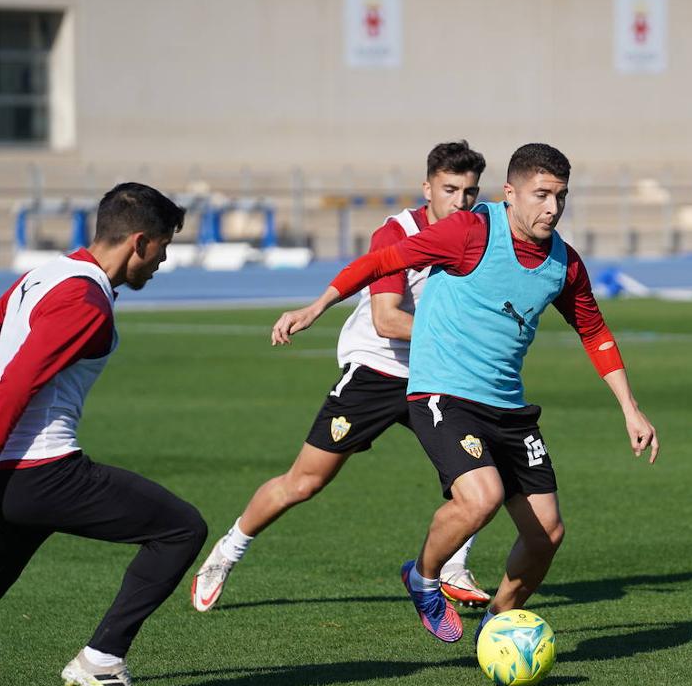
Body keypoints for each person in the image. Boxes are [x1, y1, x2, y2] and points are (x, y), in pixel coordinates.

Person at [269, 143, 660, 643]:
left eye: (561, 197)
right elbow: (381, 261)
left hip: (509, 405)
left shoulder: (564, 263)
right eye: (542, 195)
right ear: (510, 193)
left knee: (547, 534)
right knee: (482, 497)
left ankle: (498, 624)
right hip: (443, 393)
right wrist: (316, 306)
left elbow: (595, 332)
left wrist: (630, 408)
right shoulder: (470, 231)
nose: (552, 209)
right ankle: (424, 578)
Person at [0, 183, 204, 686]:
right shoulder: (84, 301)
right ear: (139, 241)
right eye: (163, 247)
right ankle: (102, 659)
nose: (163, 260)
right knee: (180, 529)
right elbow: (18, 381)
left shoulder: (46, 275)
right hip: (37, 473)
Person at [192, 141, 494, 611]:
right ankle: (227, 551)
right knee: (304, 482)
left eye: (469, 192)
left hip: (435, 375)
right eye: (450, 189)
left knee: (482, 472)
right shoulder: (396, 233)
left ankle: (452, 564)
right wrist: (462, 339)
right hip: (377, 370)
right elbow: (387, 321)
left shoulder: (478, 232)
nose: (460, 201)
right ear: (427, 187)